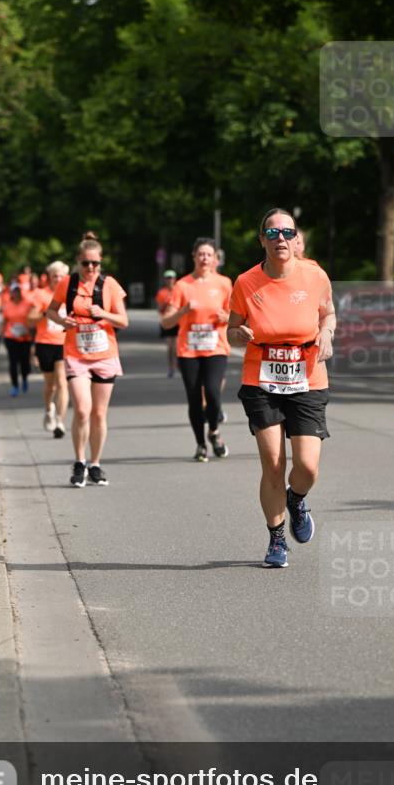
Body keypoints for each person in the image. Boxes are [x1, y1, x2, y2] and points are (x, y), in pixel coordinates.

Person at [227, 208, 336, 568]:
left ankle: (296, 499)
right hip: (262, 379)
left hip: (308, 377)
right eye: (272, 234)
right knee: (273, 463)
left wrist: (327, 331)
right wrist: (239, 334)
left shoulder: (315, 275)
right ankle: (276, 539)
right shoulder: (246, 282)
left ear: (295, 238)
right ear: (262, 240)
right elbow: (231, 330)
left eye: (287, 233)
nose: (281, 240)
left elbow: (328, 313)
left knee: (307, 466)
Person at [46, 233, 128, 487]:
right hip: (77, 355)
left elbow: (123, 321)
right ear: (78, 262)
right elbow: (50, 310)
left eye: (95, 263)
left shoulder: (110, 285)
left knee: (99, 414)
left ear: (101, 262)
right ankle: (79, 461)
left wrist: (103, 313)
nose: (91, 268)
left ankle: (95, 464)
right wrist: (62, 320)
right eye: (86, 263)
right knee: (82, 409)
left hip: (104, 355)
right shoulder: (67, 283)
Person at [161, 239, 231, 461]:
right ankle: (201, 444)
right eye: (201, 254)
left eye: (208, 254)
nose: (204, 258)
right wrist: (183, 311)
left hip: (216, 348)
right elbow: (166, 322)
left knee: (212, 392)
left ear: (215, 259)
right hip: (189, 350)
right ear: (194, 257)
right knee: (194, 398)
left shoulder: (224, 283)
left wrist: (226, 317)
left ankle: (214, 432)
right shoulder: (183, 286)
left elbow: (237, 316)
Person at [28, 260, 71, 437]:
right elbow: (30, 320)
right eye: (55, 276)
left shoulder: (71, 294)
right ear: (49, 277)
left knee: (62, 382)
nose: (58, 279)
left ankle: (60, 421)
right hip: (45, 342)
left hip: (64, 343)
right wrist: (46, 313)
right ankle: (48, 410)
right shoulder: (41, 294)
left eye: (61, 276)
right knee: (50, 385)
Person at [0, 281, 34, 397]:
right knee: (13, 362)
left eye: (18, 291)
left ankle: (24, 378)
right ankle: (14, 386)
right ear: (11, 293)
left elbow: (33, 318)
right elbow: (4, 322)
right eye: (14, 291)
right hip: (11, 337)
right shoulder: (7, 305)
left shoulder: (27, 304)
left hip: (25, 338)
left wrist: (32, 332)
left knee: (24, 362)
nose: (16, 293)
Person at [155, 269, 179, 377]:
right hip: (167, 322)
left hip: (178, 322)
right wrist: (166, 303)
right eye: (168, 278)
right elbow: (160, 309)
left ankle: (178, 364)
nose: (170, 280)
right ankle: (171, 367)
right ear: (165, 280)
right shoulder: (162, 292)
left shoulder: (179, 290)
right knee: (169, 347)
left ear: (175, 279)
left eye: (171, 278)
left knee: (176, 347)